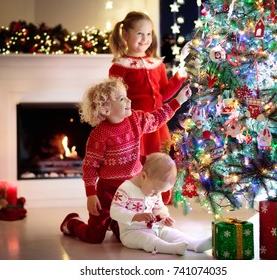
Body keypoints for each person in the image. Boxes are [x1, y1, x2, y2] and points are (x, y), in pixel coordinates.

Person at [60, 77, 191, 244]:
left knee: (125, 233)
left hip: (132, 187)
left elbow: (158, 118)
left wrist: (178, 100)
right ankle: (71, 222)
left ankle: (115, 224)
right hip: (107, 190)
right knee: (94, 237)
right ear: (105, 109)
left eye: (126, 96)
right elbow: (90, 167)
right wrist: (91, 194)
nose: (129, 100)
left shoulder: (136, 119)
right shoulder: (99, 135)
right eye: (122, 99)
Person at [109, 11, 188, 204]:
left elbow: (164, 93)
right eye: (139, 34)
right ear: (125, 35)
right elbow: (117, 99)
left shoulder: (157, 64)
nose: (145, 39)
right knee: (138, 163)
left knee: (162, 161)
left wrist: (181, 71)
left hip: (158, 124)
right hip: (135, 125)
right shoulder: (119, 67)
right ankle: (134, 202)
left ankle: (159, 204)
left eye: (148, 34)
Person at [110, 152, 212, 255]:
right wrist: (136, 216)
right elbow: (114, 211)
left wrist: (164, 217)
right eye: (155, 190)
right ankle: (170, 248)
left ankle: (195, 244)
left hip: (154, 227)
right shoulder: (126, 189)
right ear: (144, 176)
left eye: (159, 192)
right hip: (131, 233)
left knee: (171, 233)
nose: (156, 194)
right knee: (148, 239)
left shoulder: (154, 191)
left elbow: (159, 208)